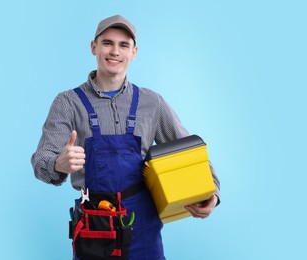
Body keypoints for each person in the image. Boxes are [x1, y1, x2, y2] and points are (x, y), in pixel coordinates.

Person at [31, 15, 221, 260]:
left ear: (134, 52)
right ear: (93, 47)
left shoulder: (152, 103)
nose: (115, 51)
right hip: (94, 226)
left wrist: (213, 193)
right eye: (107, 43)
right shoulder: (68, 103)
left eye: (123, 45)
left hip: (143, 224)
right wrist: (58, 163)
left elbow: (188, 152)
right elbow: (41, 160)